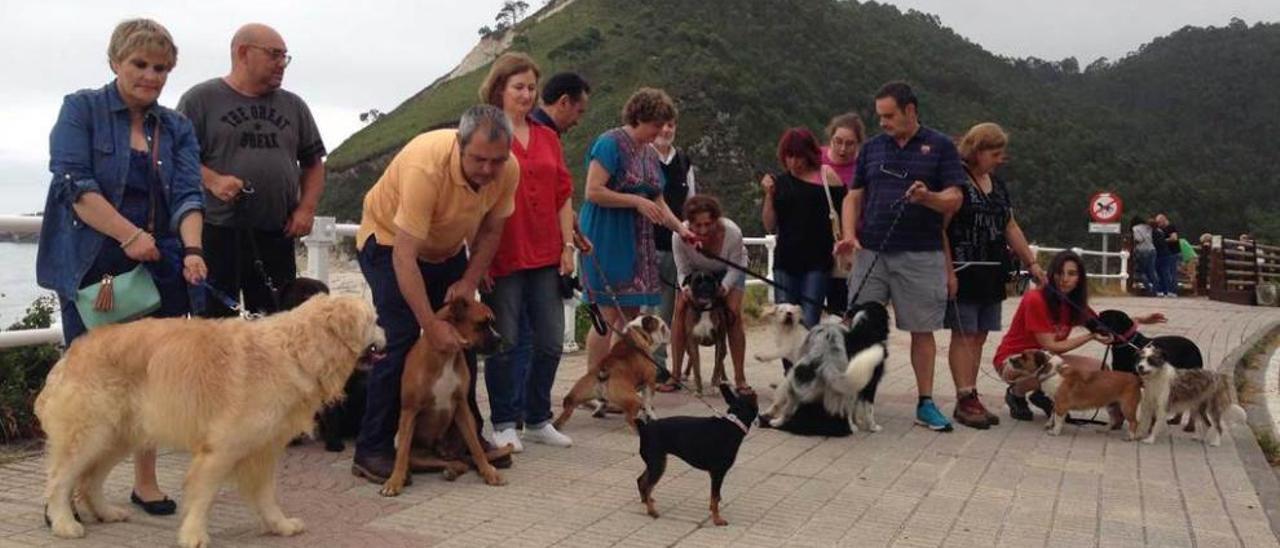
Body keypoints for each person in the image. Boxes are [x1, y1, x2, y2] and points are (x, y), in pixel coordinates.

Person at [36, 18, 207, 517]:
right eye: (140, 64)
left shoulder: (176, 127)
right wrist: (128, 237)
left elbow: (189, 195)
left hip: (160, 266)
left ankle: (145, 483)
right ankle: (62, 492)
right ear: (115, 62)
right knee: (92, 389)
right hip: (95, 268)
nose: (151, 76)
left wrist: (193, 251)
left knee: (152, 382)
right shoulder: (81, 109)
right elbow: (75, 187)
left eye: (161, 68)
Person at [350, 105, 519, 483]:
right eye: (479, 159)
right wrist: (429, 322)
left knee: (464, 338)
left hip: (446, 246)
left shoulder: (508, 170)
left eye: (498, 160)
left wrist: (469, 281)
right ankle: (372, 447)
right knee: (402, 336)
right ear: (459, 146)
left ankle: (463, 435)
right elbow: (404, 256)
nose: (489, 170)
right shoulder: (425, 166)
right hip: (389, 243)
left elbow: (492, 232)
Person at [834, 82, 963, 432]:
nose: (883, 123)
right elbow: (853, 197)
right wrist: (848, 235)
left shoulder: (941, 146)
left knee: (922, 330)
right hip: (871, 252)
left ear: (910, 110)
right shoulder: (873, 148)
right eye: (879, 116)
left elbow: (954, 198)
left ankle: (925, 403)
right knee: (859, 326)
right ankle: (854, 399)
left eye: (889, 115)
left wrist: (928, 198)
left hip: (921, 255)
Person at [177, 23, 325, 316]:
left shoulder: (294, 106)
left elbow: (313, 163)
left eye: (285, 57)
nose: (282, 64)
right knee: (216, 324)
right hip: (217, 230)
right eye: (274, 55)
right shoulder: (200, 100)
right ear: (243, 53)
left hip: (276, 231)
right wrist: (213, 180)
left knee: (276, 323)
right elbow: (178, 159)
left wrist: (306, 209)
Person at [477, 53, 575, 451]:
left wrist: (568, 245)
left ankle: (537, 417)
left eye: (532, 87)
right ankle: (503, 422)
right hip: (503, 252)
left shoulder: (548, 135)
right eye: (518, 86)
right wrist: (477, 258)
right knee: (506, 340)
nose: (526, 94)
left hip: (547, 251)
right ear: (500, 88)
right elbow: (474, 194)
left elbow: (564, 194)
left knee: (551, 340)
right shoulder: (484, 132)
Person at [578, 88, 695, 374]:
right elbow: (593, 191)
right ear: (640, 118)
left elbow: (658, 200)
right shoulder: (610, 143)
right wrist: (634, 200)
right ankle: (596, 383)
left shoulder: (649, 154)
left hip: (636, 242)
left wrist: (681, 229)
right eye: (656, 124)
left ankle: (617, 378)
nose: (660, 131)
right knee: (606, 313)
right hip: (606, 236)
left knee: (629, 315)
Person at [942, 123, 1045, 430]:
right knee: (963, 334)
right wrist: (947, 270)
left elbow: (1009, 226)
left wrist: (1032, 262)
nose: (1000, 159)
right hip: (963, 268)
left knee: (981, 334)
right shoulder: (956, 180)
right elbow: (941, 228)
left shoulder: (998, 186)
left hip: (992, 269)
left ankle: (971, 394)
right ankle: (964, 397)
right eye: (995, 153)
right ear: (977, 151)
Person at [993, 251, 1165, 421]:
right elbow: (1051, 345)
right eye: (1060, 273)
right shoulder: (1035, 299)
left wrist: (1137, 321)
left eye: (1072, 274)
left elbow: (1100, 325)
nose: (1065, 279)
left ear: (1080, 278)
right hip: (1014, 361)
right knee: (1049, 368)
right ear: (1051, 274)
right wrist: (1090, 337)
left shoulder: (1072, 302)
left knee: (1100, 369)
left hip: (1046, 359)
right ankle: (1016, 393)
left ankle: (1044, 395)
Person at [761, 127, 846, 328]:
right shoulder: (779, 183)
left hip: (818, 262)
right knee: (786, 323)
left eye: (799, 157)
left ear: (809, 154)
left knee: (809, 321)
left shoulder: (827, 177)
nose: (794, 162)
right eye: (789, 157)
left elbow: (844, 211)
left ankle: (808, 360)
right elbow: (769, 224)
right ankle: (791, 361)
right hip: (786, 261)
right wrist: (768, 194)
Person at [665, 196, 748, 391]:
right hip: (695, 273)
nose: (702, 230)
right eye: (697, 225)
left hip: (729, 268)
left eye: (708, 224)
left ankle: (740, 378)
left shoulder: (732, 233)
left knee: (732, 313)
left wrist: (725, 287)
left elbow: (736, 267)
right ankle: (676, 375)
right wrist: (685, 289)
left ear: (717, 220)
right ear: (689, 223)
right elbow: (683, 270)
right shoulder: (679, 235)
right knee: (681, 309)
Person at [652, 120, 696, 373]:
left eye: (671, 125)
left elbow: (691, 201)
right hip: (644, 243)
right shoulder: (642, 156)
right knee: (643, 307)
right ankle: (640, 364)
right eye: (661, 124)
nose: (666, 130)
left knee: (666, 308)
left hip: (673, 245)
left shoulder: (683, 161)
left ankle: (658, 365)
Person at [821, 113, 865, 312]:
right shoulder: (815, 159)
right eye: (837, 141)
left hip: (851, 246)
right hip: (818, 244)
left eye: (850, 144)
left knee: (843, 308)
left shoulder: (863, 167)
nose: (842, 149)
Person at [1130, 214, 1158, 296]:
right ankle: (1155, 290)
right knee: (1152, 271)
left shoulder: (1135, 228)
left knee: (1141, 272)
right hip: (1152, 249)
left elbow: (1139, 239)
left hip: (1142, 250)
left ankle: (1148, 289)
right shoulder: (1148, 227)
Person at [1155, 213, 1181, 298]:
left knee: (1171, 272)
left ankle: (1172, 291)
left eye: (1159, 222)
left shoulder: (1171, 227)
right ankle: (1167, 290)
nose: (1158, 224)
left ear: (1164, 220)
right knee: (1166, 272)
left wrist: (1163, 241)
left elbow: (1174, 238)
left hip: (1173, 252)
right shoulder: (1161, 229)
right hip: (1167, 253)